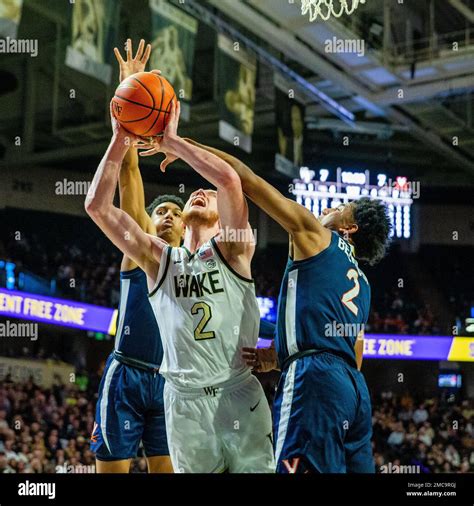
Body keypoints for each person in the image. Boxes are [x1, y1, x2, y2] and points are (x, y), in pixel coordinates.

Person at [144, 137, 391, 473]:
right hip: (354, 393)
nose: (328, 209)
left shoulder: (315, 234)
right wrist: (277, 355)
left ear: (349, 228)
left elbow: (242, 177)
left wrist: (181, 145)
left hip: (313, 382)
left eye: (338, 208)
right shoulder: (362, 282)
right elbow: (353, 352)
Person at [85, 93, 274, 472]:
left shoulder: (235, 249)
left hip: (237, 392)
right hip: (183, 402)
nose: (201, 191)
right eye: (195, 195)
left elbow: (229, 179)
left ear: (225, 223)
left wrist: (171, 141)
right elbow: (97, 207)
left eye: (208, 194)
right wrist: (121, 137)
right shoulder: (159, 262)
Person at [90, 39, 183, 474]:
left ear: (185, 228)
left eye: (174, 213)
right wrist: (130, 87)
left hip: (168, 382)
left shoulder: (196, 265)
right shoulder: (142, 246)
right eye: (159, 210)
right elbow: (128, 170)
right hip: (127, 374)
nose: (165, 216)